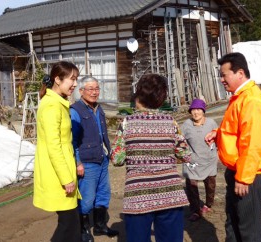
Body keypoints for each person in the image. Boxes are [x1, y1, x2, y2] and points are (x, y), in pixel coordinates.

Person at [110, 74, 191, 242]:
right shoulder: (171, 122)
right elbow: (185, 154)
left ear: (139, 95)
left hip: (138, 194)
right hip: (170, 193)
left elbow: (117, 159)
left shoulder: (127, 123)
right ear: (161, 99)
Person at [205, 52, 261, 242]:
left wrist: (244, 179)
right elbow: (237, 130)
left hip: (249, 176)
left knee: (248, 229)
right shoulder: (240, 97)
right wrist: (218, 134)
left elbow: (252, 143)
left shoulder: (251, 100)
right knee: (233, 223)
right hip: (238, 170)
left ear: (240, 73)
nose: (221, 80)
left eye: (224, 75)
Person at [33, 61, 81, 242]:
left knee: (70, 224)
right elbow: (54, 146)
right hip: (58, 175)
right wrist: (66, 177)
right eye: (72, 79)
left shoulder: (57, 103)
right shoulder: (52, 106)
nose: (75, 84)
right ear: (58, 79)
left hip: (61, 172)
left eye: (76, 79)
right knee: (69, 225)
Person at [70, 76, 119, 242]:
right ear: (81, 91)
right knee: (87, 199)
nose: (94, 92)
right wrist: (78, 163)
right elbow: (73, 141)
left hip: (102, 159)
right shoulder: (75, 110)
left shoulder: (99, 108)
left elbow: (103, 134)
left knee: (103, 194)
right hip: (87, 161)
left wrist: (110, 152)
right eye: (90, 89)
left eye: (97, 88)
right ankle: (83, 230)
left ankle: (99, 226)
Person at [181, 98, 218, 222]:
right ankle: (195, 211)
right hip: (192, 161)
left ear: (203, 111)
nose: (196, 113)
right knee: (191, 186)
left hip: (209, 160)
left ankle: (208, 205)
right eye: (193, 110)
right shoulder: (186, 125)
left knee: (210, 185)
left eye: (198, 110)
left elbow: (218, 138)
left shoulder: (211, 123)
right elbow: (180, 142)